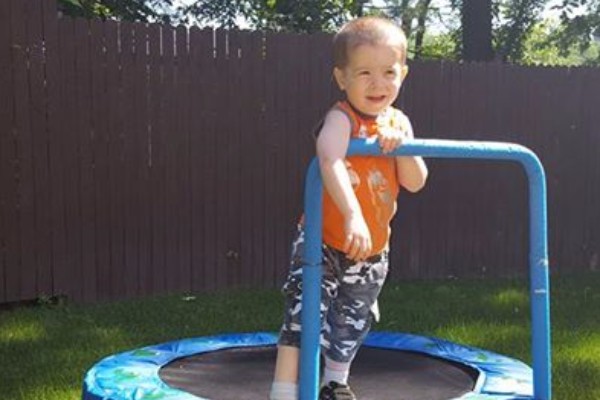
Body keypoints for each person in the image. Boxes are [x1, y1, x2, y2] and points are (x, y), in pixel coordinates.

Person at [269, 16, 428, 400]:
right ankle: (283, 391)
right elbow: (330, 158)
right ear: (342, 78)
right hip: (323, 240)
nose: (378, 84)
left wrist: (402, 146)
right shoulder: (342, 118)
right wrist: (353, 214)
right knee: (303, 314)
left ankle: (334, 383)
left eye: (388, 72)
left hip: (371, 250)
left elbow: (416, 181)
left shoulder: (399, 122)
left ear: (403, 75)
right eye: (364, 73)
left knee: (352, 320)